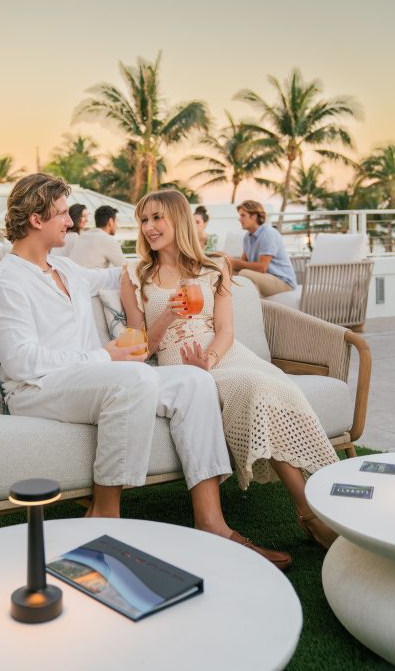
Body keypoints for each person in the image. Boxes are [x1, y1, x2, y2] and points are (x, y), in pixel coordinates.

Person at [0, 173, 291, 569]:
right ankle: (105, 514)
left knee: (195, 381)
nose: (71, 222)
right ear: (37, 219)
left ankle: (211, 522)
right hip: (36, 389)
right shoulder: (6, 281)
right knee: (136, 376)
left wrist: (202, 261)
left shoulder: (66, 270)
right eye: (61, 214)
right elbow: (21, 362)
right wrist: (105, 356)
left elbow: (132, 272)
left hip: (92, 379)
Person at [121, 189, 339, 550]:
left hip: (223, 356)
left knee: (271, 386)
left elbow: (226, 331)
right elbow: (140, 347)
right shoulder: (134, 275)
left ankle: (320, 506)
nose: (149, 227)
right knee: (257, 386)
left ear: (178, 219)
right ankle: (311, 514)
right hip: (180, 367)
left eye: (157, 217)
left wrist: (209, 360)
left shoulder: (214, 267)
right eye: (143, 220)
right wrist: (169, 315)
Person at [228, 200, 296, 297]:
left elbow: (262, 267)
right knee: (228, 273)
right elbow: (243, 262)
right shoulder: (248, 237)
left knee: (244, 273)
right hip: (265, 278)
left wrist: (235, 262)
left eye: (243, 215)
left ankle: (252, 308)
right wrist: (226, 262)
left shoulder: (268, 233)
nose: (239, 219)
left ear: (254, 216)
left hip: (283, 282)